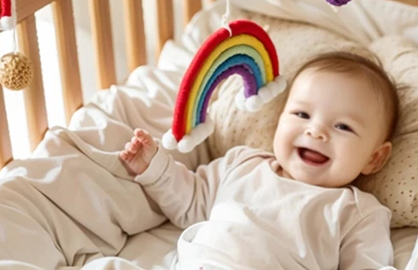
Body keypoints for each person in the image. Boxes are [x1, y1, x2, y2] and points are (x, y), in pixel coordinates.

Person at [120, 51, 399, 270]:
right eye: (302, 115)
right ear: (279, 120)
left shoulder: (355, 212)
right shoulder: (242, 164)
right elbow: (191, 201)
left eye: (343, 127)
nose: (316, 131)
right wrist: (154, 167)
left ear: (374, 158)